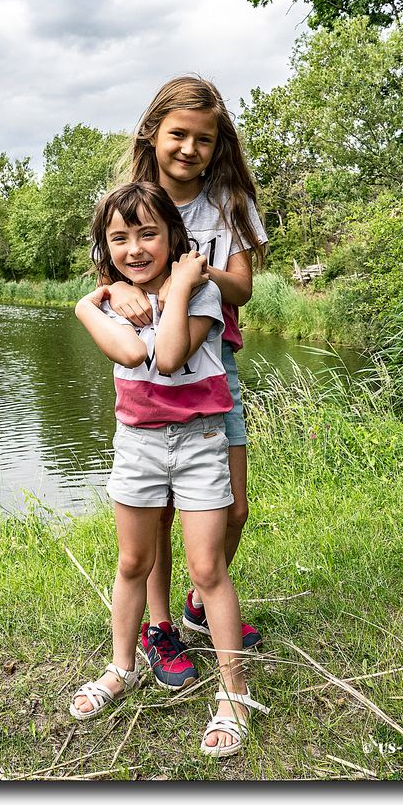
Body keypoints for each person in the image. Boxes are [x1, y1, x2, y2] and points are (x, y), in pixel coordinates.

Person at [70, 181, 267, 757]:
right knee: (133, 559)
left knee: (208, 568)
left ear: (175, 238)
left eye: (149, 233)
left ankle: (233, 694)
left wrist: (179, 287)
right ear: (106, 252)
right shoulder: (104, 302)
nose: (135, 248)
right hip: (138, 444)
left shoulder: (203, 294)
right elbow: (132, 354)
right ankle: (121, 667)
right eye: (119, 239)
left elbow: (173, 353)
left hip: (201, 439)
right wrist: (91, 303)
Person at [105, 76, 269, 688]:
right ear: (154, 134)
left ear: (217, 143)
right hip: (151, 367)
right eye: (178, 134)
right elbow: (114, 271)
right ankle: (161, 627)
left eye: (204, 138)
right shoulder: (132, 199)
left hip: (215, 363)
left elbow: (243, 287)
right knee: (158, 510)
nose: (189, 148)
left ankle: (205, 598)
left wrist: (194, 276)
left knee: (230, 506)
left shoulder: (228, 202)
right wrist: (125, 289)